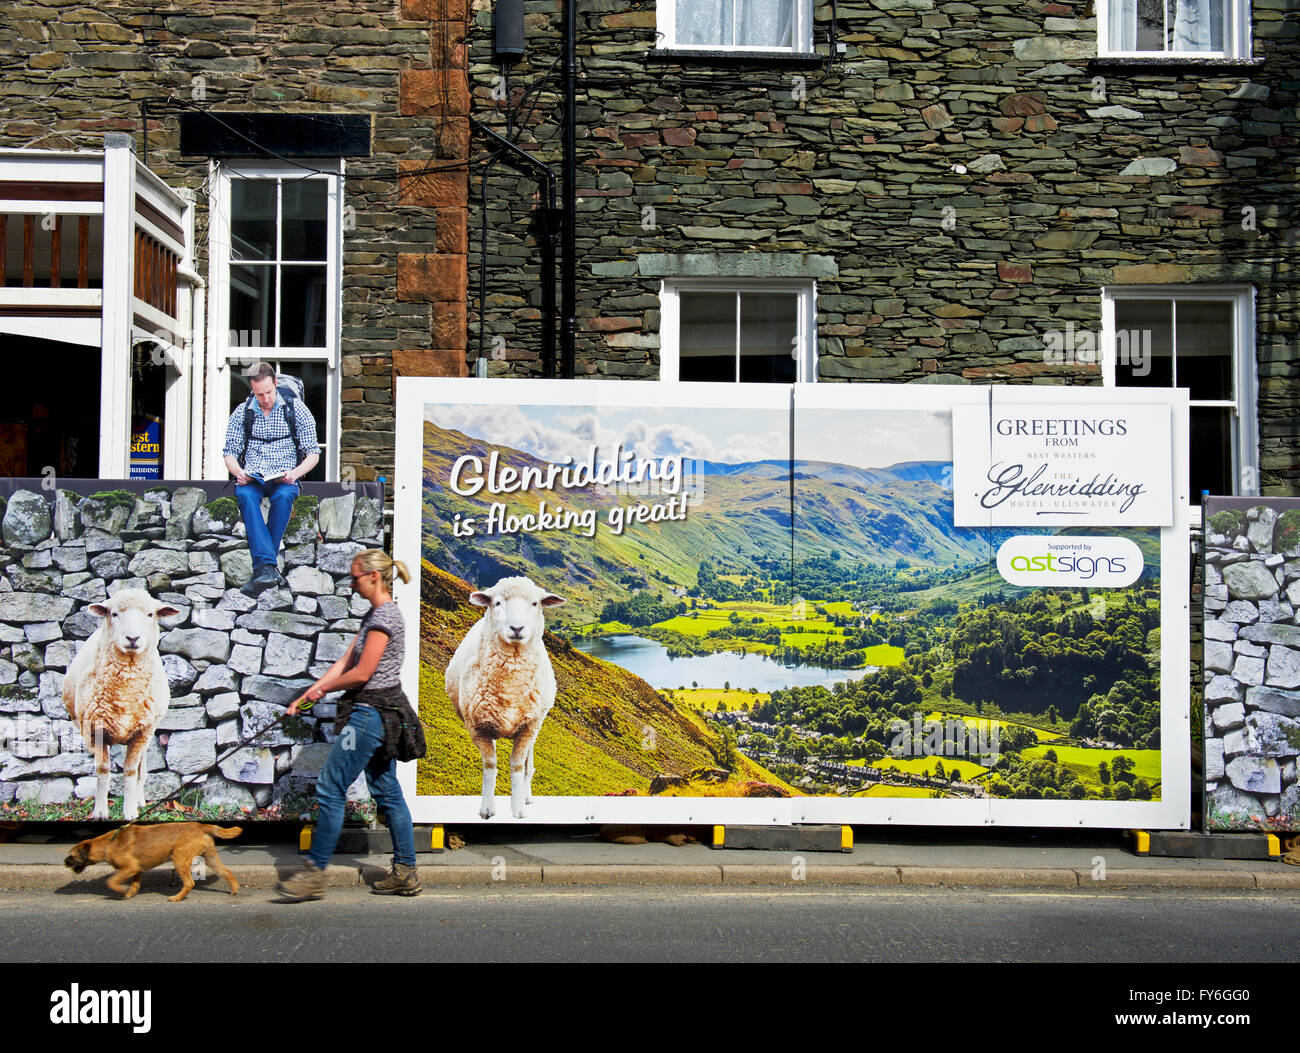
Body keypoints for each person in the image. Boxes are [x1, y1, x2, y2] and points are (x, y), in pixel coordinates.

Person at [276, 550, 423, 901]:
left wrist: (324, 689)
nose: (351, 583)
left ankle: (314, 875)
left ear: (373, 577)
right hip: (379, 713)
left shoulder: (385, 616)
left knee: (330, 786)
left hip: (369, 716)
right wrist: (309, 694)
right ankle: (405, 872)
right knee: (386, 789)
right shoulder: (374, 615)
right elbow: (345, 661)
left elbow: (362, 672)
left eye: (354, 577)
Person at [222, 362, 320, 596]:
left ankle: (263, 569)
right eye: (259, 394)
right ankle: (268, 568)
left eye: (268, 392)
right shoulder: (243, 410)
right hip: (254, 475)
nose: (265, 399)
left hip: (284, 476)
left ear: (275, 384)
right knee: (244, 495)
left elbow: (313, 453)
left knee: (285, 497)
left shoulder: (296, 409)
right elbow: (229, 453)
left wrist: (295, 473)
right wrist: (238, 472)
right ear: (252, 390)